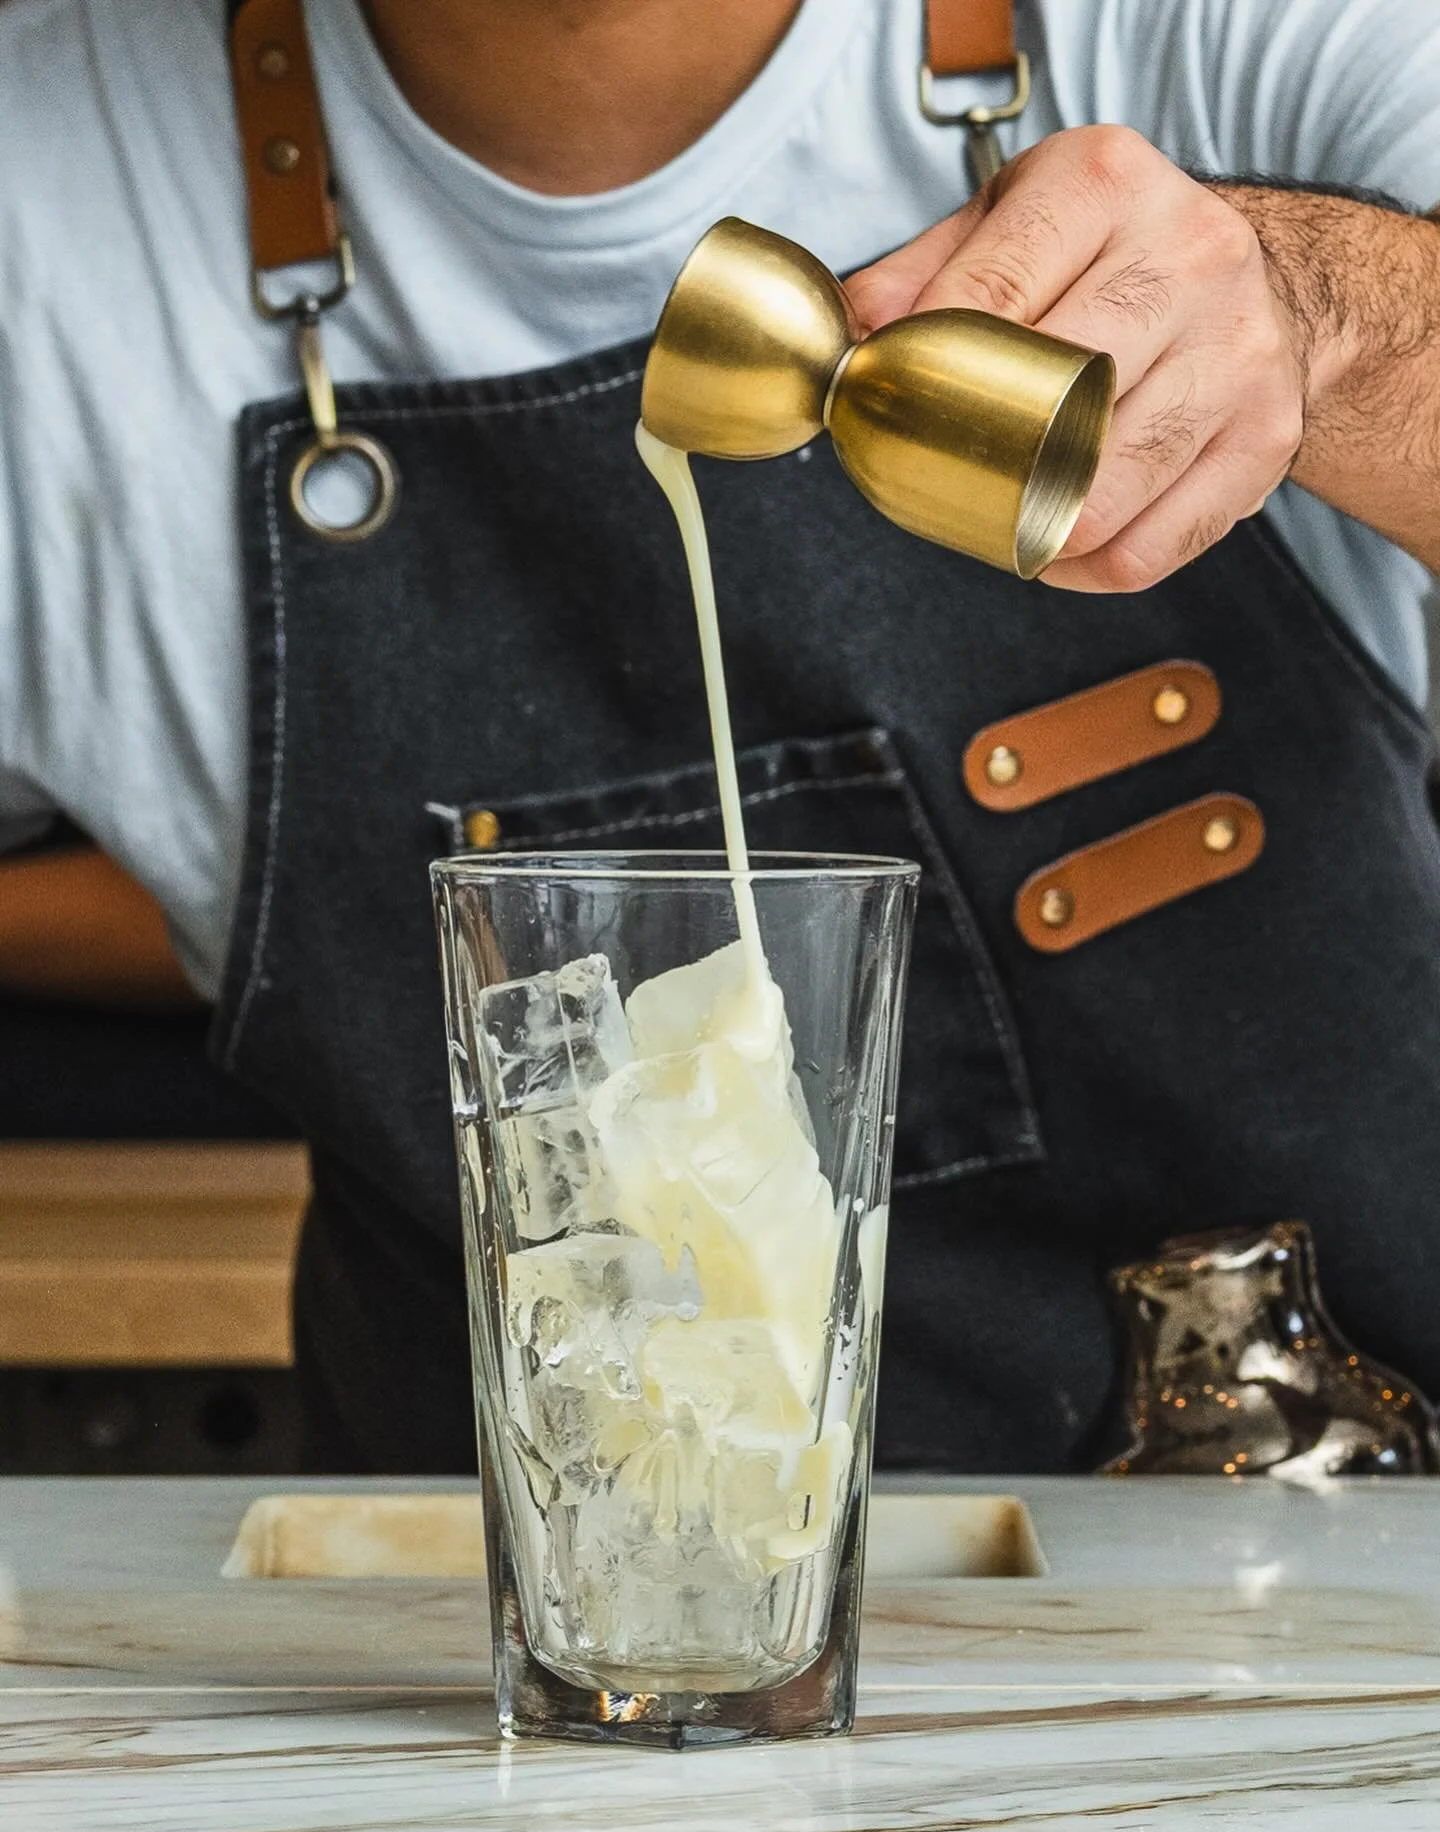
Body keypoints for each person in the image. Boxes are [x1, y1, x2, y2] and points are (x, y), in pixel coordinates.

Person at [2, 0, 1439, 1472]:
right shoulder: (40, 214)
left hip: (1311, 1599)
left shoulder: (1248, 34)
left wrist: (1334, 315)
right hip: (496, 1643)